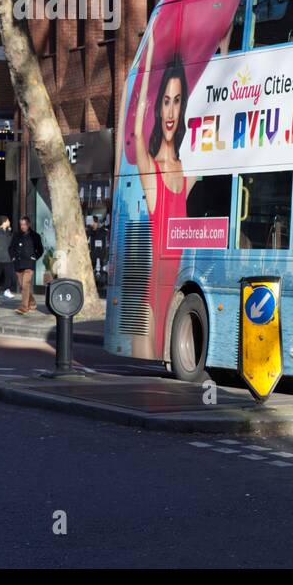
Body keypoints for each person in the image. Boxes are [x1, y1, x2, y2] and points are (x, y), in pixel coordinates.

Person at [130, 35, 197, 355]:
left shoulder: (188, 172)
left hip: (180, 288)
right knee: (144, 385)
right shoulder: (151, 170)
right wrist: (151, 53)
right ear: (157, 108)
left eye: (178, 100)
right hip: (153, 301)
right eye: (166, 101)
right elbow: (137, 133)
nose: (171, 110)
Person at [9, 217, 44, 314]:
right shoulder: (16, 235)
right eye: (21, 224)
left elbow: (40, 250)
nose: (22, 226)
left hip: (29, 264)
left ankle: (24, 307)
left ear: (28, 224)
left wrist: (35, 257)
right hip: (18, 263)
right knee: (22, 286)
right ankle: (32, 302)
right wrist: (13, 257)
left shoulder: (35, 236)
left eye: (24, 224)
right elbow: (11, 248)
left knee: (25, 284)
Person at [0, 216, 14, 297]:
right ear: (4, 222)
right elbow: (8, 241)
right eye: (8, 220)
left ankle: (6, 290)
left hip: (7, 257)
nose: (9, 222)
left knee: (8, 275)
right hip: (0, 258)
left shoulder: (6, 232)